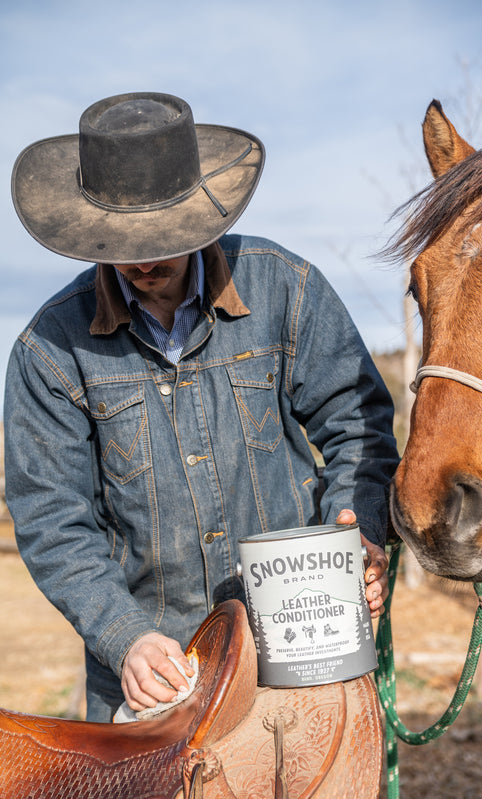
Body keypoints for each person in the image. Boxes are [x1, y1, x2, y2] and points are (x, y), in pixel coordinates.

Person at [4, 92, 399, 722]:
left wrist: (357, 533)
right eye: (120, 240)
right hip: (152, 672)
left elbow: (362, 429)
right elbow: (53, 518)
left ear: (200, 214)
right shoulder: (50, 350)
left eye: (162, 236)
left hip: (303, 641)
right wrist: (122, 636)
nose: (142, 259)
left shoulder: (285, 289)